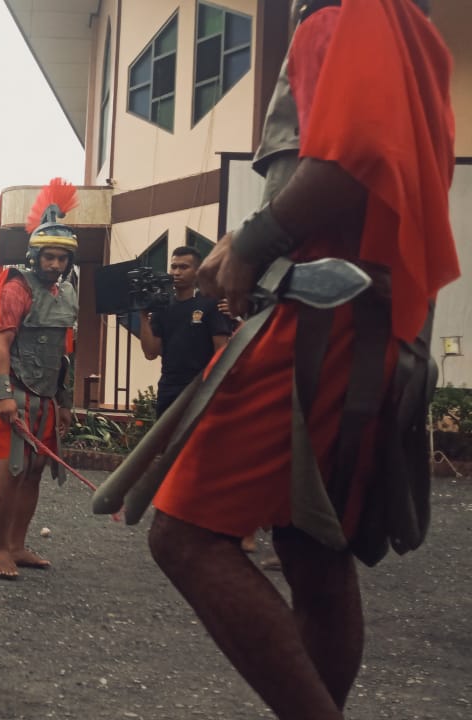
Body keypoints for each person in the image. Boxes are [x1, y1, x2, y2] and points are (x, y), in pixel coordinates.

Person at [140, 3, 456, 718]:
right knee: (314, 552)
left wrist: (250, 244)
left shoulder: (347, 15)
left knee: (185, 536)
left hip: (324, 325)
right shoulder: (415, 36)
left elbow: (356, 155)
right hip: (369, 327)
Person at [0, 178, 79, 579]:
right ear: (36, 256)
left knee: (33, 471)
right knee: (12, 469)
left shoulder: (68, 292)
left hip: (47, 395)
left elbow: (66, 349)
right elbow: (1, 343)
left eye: (61, 260)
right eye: (49, 257)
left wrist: (66, 401)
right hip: (18, 391)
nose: (55, 265)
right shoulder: (16, 287)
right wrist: (4, 394)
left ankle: (18, 544)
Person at [137, 246, 232, 416]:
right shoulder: (162, 307)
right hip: (169, 387)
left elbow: (221, 351)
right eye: (174, 267)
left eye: (184, 267)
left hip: (201, 387)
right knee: (166, 441)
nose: (177, 272)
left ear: (197, 272)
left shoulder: (211, 304)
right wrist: (143, 316)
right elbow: (151, 353)